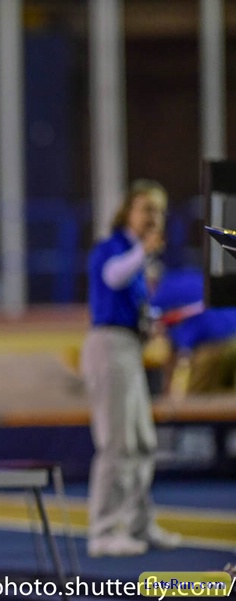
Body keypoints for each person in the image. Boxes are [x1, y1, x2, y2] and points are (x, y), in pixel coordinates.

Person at [81, 179, 181, 557]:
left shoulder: (138, 258)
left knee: (143, 442)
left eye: (159, 211)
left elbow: (131, 300)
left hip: (128, 347)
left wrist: (152, 321)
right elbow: (112, 276)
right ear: (128, 212)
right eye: (147, 209)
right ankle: (103, 531)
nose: (154, 217)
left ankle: (139, 524)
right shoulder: (114, 248)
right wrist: (143, 252)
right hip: (108, 347)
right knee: (116, 444)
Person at [151, 267, 236, 395]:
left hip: (216, 345)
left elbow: (180, 351)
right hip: (230, 336)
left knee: (195, 397)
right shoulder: (187, 278)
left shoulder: (161, 295)